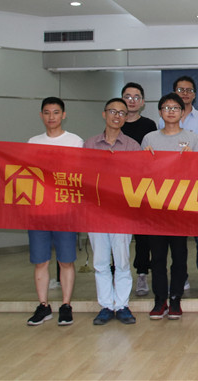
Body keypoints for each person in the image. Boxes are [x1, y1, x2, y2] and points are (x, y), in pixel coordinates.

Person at [6, 97, 83, 326]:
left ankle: (66, 305)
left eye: (56, 112)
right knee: (40, 261)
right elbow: (23, 172)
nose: (51, 117)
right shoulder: (33, 142)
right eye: (47, 112)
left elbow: (81, 174)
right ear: (41, 115)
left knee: (66, 261)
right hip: (38, 211)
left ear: (63, 115)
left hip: (64, 210)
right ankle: (43, 305)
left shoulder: (75, 141)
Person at [141, 93, 198, 321]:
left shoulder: (192, 139)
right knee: (157, 257)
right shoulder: (149, 138)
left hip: (180, 207)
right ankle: (159, 300)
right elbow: (141, 173)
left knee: (179, 255)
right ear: (160, 112)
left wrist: (192, 159)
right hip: (155, 208)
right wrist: (144, 159)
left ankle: (175, 298)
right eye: (166, 108)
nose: (171, 111)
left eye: (175, 108)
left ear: (182, 112)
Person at [84, 98, 141, 325]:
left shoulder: (132, 146)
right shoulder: (90, 144)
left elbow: (139, 178)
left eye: (122, 113)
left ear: (126, 118)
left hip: (121, 212)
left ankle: (122, 305)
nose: (117, 116)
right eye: (113, 111)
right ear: (104, 114)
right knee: (100, 261)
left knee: (122, 260)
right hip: (96, 211)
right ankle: (106, 305)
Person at [171, 75, 198, 295]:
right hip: (171, 185)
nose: (185, 93)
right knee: (176, 236)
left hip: (197, 183)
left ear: (194, 94)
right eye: (181, 90)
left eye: (189, 90)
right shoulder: (164, 117)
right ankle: (181, 276)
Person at [120, 82, 158, 297]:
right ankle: (118, 272)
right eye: (128, 96)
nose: (132, 100)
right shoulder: (115, 122)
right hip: (117, 187)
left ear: (142, 102)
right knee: (118, 233)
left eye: (136, 97)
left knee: (143, 234)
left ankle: (142, 272)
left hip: (142, 186)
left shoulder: (149, 125)